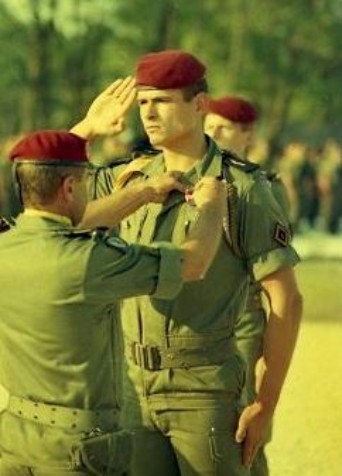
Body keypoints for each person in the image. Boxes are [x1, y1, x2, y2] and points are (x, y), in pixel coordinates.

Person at [0, 78, 227, 476]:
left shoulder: (8, 244)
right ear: (71, 187)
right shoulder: (89, 260)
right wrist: (211, 208)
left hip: (16, 438)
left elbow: (49, 191)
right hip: (76, 450)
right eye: (85, 183)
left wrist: (139, 189)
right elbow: (193, 263)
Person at [91, 50, 303, 476]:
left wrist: (266, 402)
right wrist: (86, 131)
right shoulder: (130, 178)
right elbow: (47, 190)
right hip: (132, 387)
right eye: (143, 102)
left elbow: (286, 298)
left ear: (199, 105)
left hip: (204, 389)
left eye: (163, 101)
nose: (148, 113)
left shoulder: (241, 187)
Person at [205, 95, 291, 476]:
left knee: (243, 432)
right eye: (208, 128)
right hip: (197, 319)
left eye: (223, 129)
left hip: (242, 318)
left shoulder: (265, 188)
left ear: (247, 136)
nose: (214, 135)